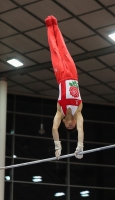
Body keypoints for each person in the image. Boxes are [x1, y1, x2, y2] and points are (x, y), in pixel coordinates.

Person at [45, 15, 84, 159]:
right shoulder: (78, 111)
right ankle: (56, 25)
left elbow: (54, 128)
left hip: (61, 76)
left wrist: (57, 146)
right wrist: (80, 147)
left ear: (64, 122)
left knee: (55, 50)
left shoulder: (59, 112)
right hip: (73, 75)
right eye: (72, 126)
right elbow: (81, 129)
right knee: (63, 48)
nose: (71, 126)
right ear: (74, 122)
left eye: (68, 127)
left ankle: (50, 26)